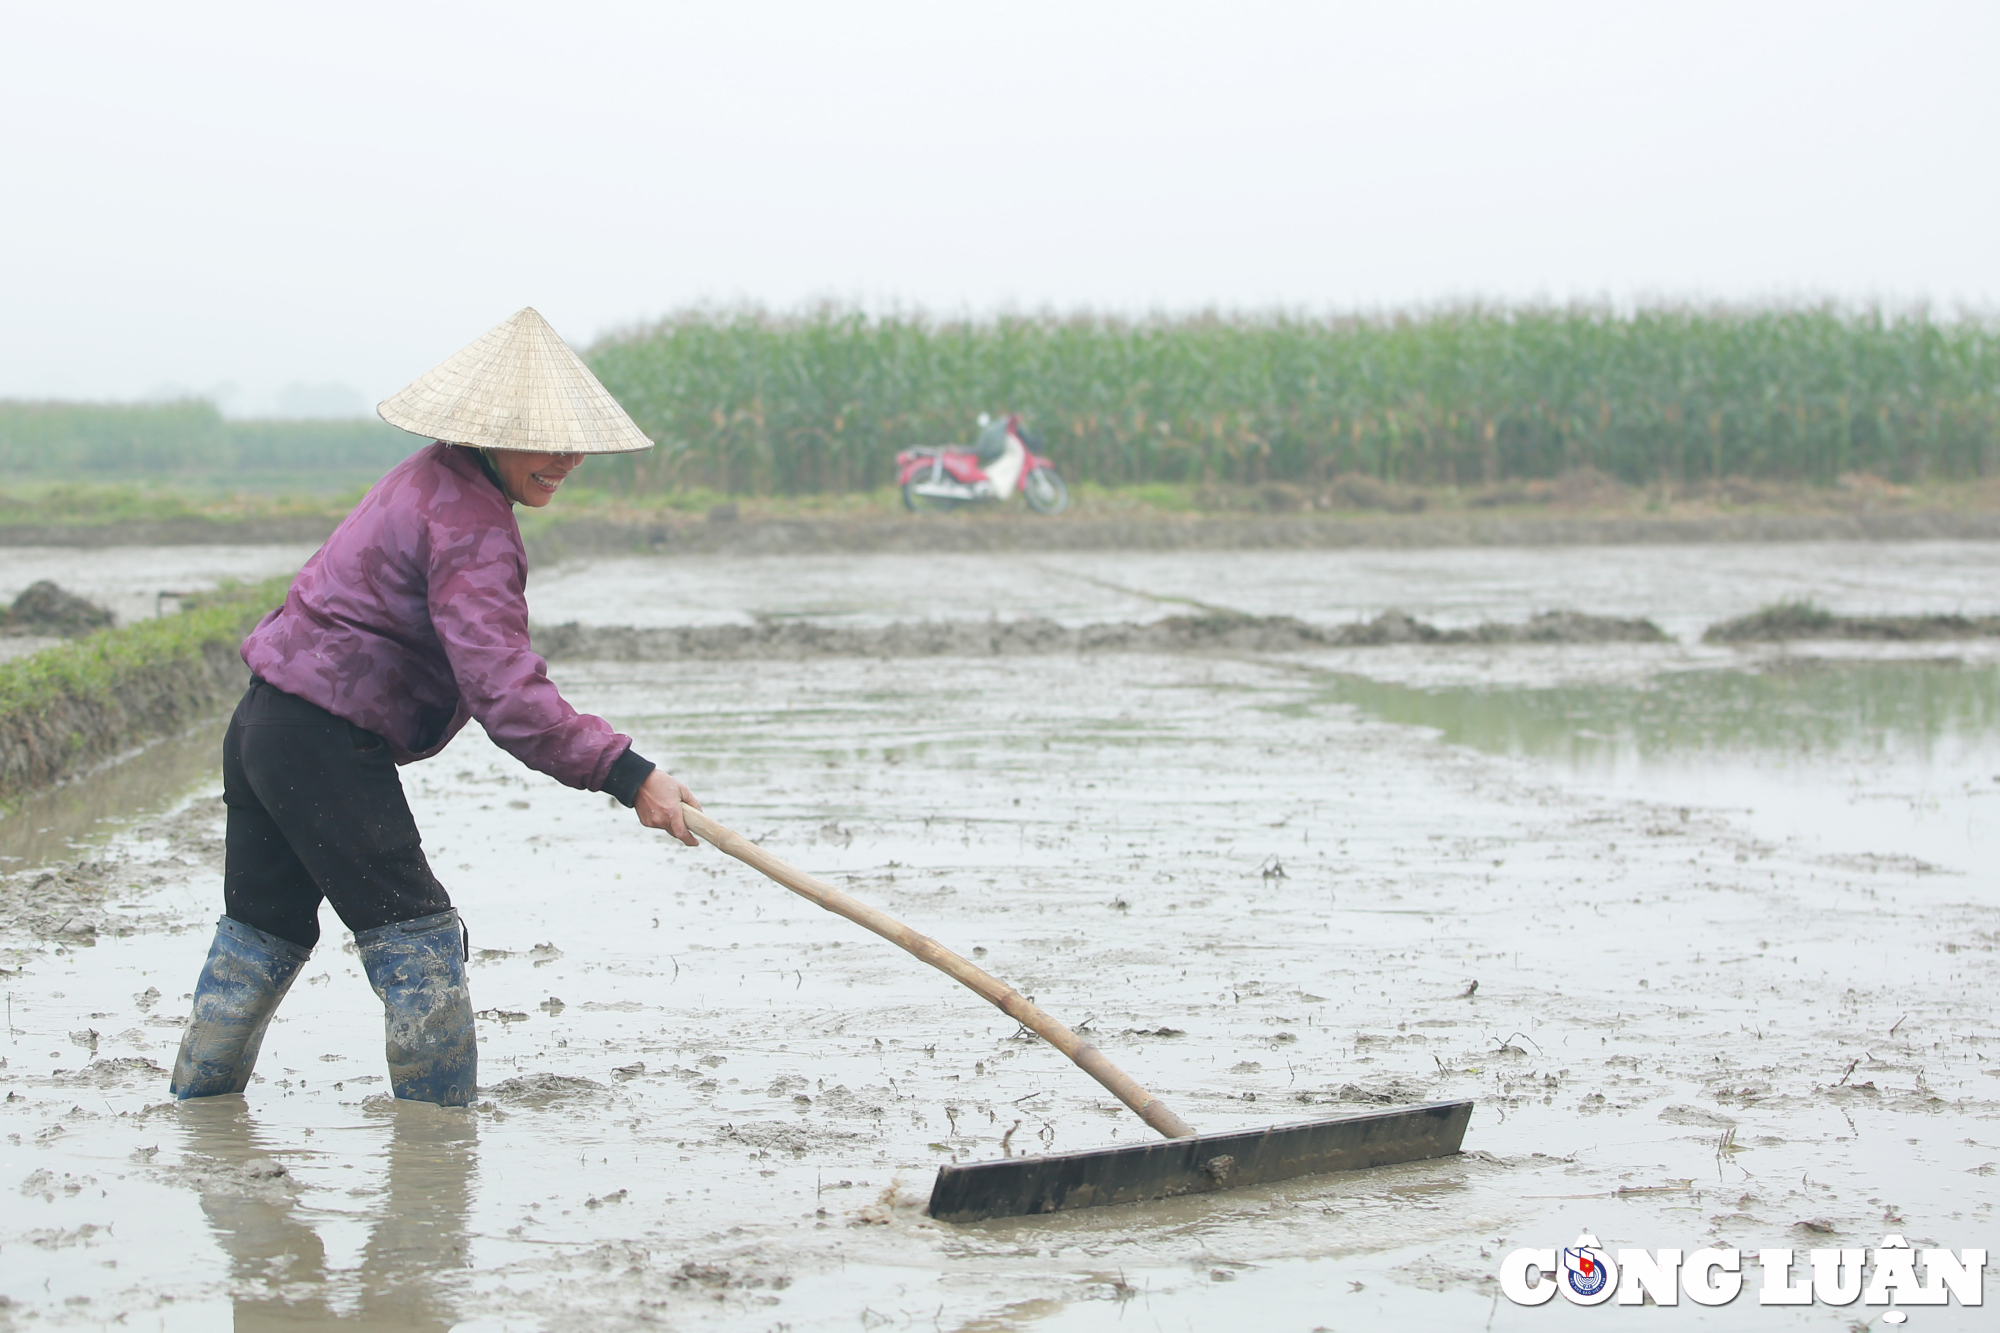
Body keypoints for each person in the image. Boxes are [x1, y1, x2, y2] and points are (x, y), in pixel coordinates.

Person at [169, 308, 700, 1107]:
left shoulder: (429, 477)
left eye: (573, 440)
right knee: (420, 945)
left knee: (262, 929)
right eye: (541, 438)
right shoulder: (469, 523)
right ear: (490, 431)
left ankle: (197, 1114)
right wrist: (628, 773)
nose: (564, 459)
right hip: (320, 738)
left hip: (264, 725)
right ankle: (439, 1155)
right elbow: (504, 690)